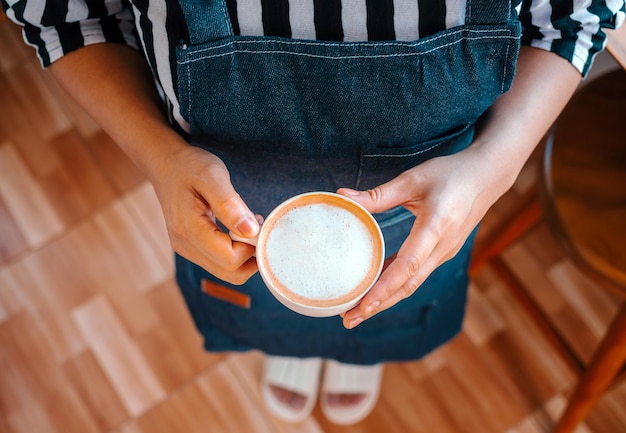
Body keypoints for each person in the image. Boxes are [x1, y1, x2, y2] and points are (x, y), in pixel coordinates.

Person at [4, 0, 624, 425]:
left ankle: (354, 351)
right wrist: (160, 158)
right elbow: (65, 13)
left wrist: (497, 163)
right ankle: (296, 342)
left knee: (375, 318)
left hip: (429, 207)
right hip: (235, 209)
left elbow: (575, 14)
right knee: (277, 311)